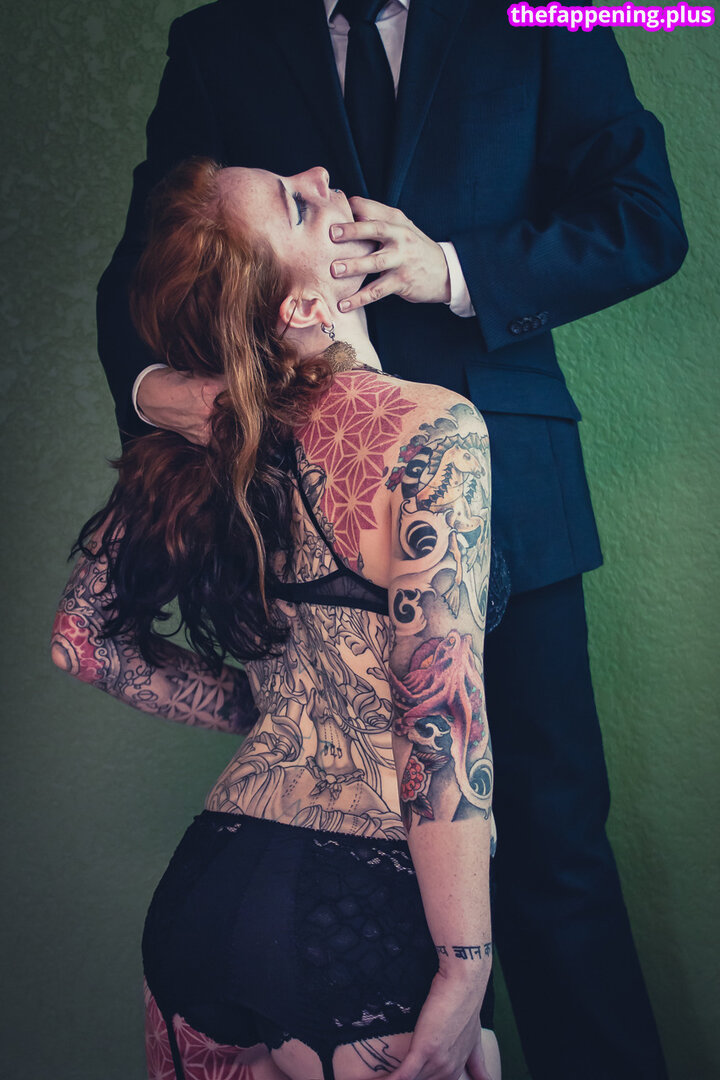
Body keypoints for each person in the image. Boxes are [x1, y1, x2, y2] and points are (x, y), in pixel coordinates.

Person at [96, 3, 688, 1076]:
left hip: (514, 503)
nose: (317, 180)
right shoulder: (220, 42)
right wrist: (186, 402)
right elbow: (151, 263)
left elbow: (644, 216)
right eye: (298, 194)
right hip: (302, 513)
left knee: (553, 854)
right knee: (375, 858)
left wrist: (452, 268)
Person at [52, 157, 503, 1080]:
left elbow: (81, 645)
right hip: (357, 914)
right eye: (298, 202)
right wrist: (466, 965)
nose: (321, 173)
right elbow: (437, 719)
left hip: (204, 896)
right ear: (301, 304)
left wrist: (268, 710)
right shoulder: (432, 429)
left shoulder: (202, 438)